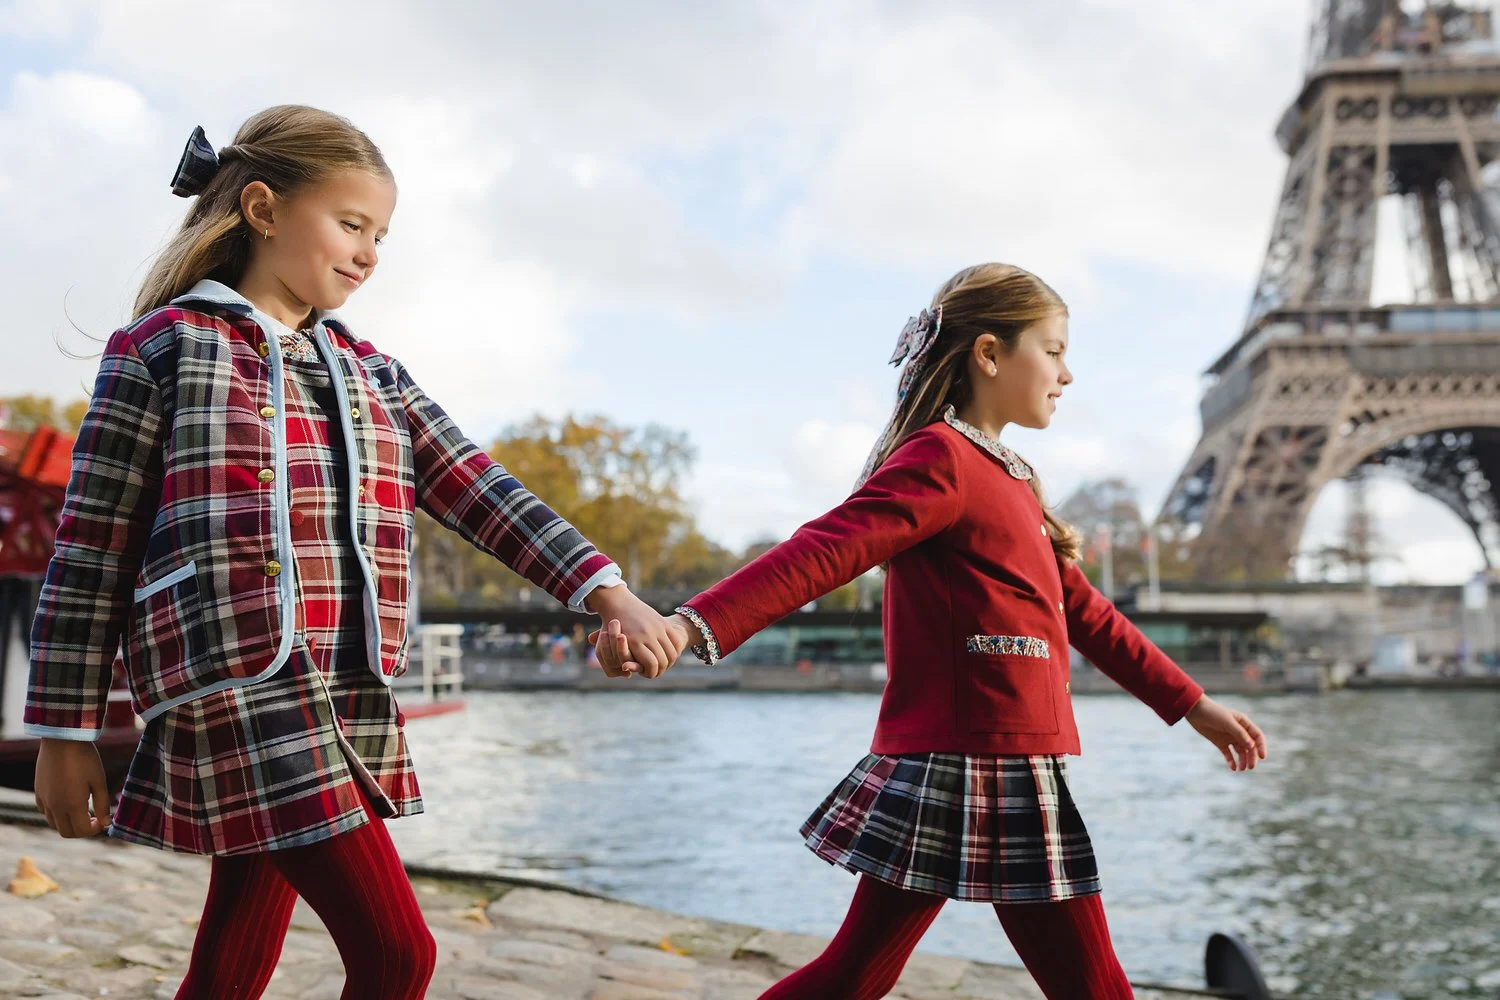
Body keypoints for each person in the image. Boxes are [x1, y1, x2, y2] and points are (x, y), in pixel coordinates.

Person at [27, 105, 679, 999]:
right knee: (398, 954)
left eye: (382, 235)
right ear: (261, 208)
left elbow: (482, 491)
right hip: (235, 687)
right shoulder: (162, 348)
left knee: (233, 958)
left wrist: (606, 591)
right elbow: (90, 550)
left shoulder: (378, 374)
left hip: (347, 685)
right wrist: (64, 732)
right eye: (351, 224)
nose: (370, 252)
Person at [609, 263, 1270, 999]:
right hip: (984, 756)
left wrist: (1190, 704)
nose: (1068, 373)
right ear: (989, 355)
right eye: (1052, 351)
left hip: (989, 755)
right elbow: (825, 549)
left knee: (856, 975)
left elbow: (1084, 612)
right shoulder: (941, 460)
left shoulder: (1011, 476)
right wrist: (691, 624)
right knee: (1083, 988)